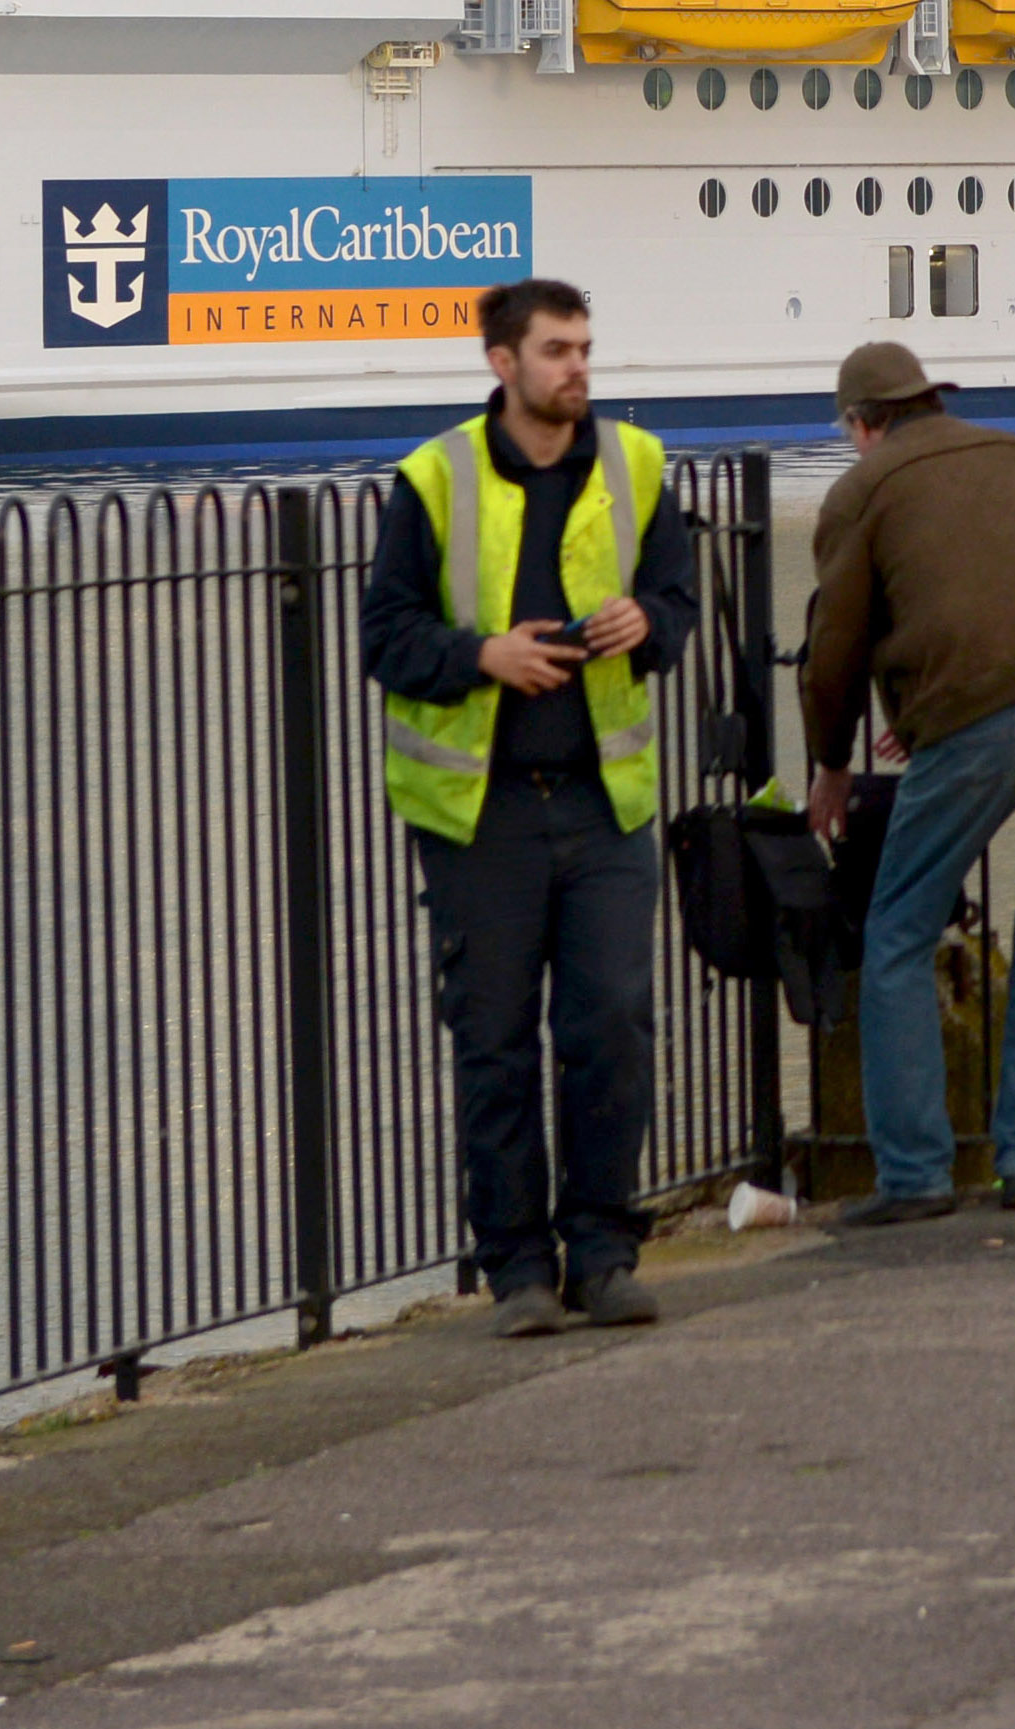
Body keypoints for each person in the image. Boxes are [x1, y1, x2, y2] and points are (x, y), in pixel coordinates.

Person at [357, 276, 697, 1334]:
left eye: (585, 347)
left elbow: (681, 602)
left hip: (605, 804)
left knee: (610, 1028)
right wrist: (481, 656)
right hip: (479, 814)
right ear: (502, 363)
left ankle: (603, 1254)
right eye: (556, 351)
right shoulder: (434, 478)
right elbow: (385, 636)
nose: (578, 369)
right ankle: (517, 1272)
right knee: (494, 1040)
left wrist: (650, 624)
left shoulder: (638, 465)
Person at [800, 337, 1015, 1230]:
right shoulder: (1013, 453)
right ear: (930, 400)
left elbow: (834, 648)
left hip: (988, 719)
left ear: (860, 424)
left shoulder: (860, 488)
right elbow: (1001, 591)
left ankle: (914, 1175)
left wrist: (833, 763)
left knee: (899, 933)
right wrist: (931, 703)